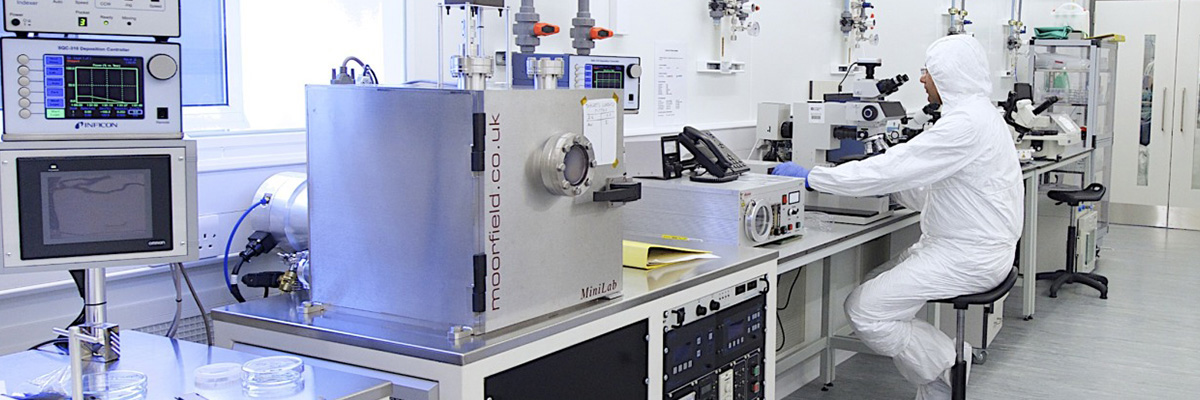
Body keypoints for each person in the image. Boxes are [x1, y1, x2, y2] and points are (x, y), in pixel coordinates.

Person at [773, 35, 1023, 399]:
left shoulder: (965, 123)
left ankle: (946, 367)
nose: (923, 79)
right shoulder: (979, 114)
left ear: (949, 76)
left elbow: (898, 165)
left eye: (929, 72)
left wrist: (815, 178)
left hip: (969, 255)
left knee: (864, 310)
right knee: (876, 282)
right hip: (960, 245)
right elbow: (935, 186)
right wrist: (884, 188)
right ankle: (941, 370)